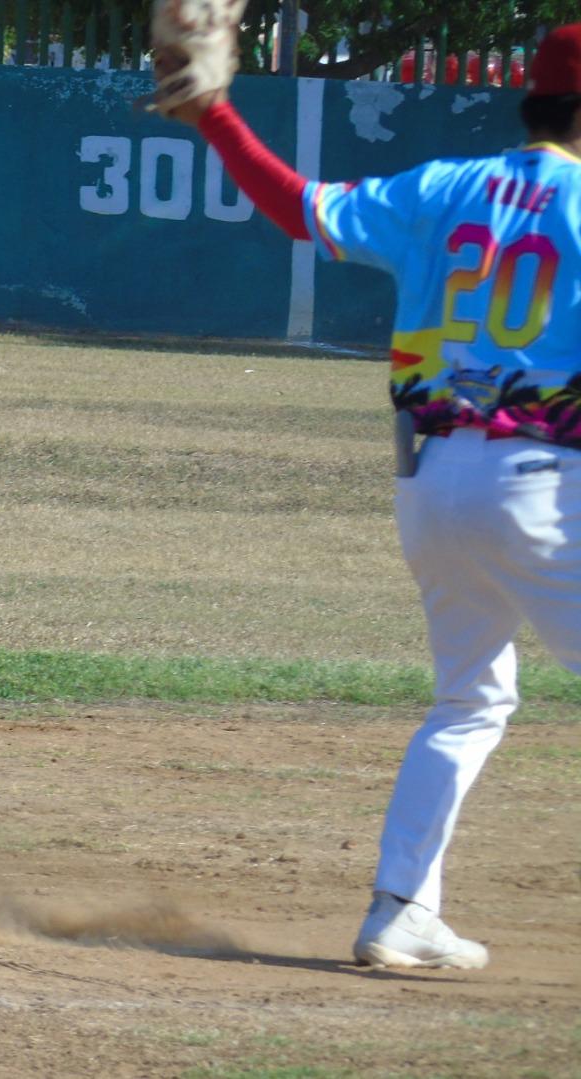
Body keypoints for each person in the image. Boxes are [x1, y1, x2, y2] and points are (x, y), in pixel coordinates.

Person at [155, 24, 581, 970]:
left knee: (471, 697)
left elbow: (299, 208)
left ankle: (402, 908)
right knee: (475, 695)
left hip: (432, 484)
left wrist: (215, 115)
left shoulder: (442, 187)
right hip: (547, 480)